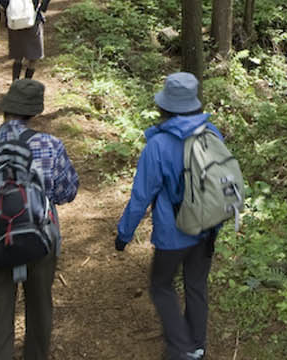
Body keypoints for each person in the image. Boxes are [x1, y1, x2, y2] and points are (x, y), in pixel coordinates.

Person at [0, 79, 79, 360]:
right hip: (40, 241)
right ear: (34, 113)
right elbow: (68, 192)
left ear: (5, 110)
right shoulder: (51, 146)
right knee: (40, 308)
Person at [114, 72, 223, 360]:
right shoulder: (212, 134)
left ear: (165, 107)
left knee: (161, 286)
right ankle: (197, 346)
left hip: (173, 233)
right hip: (207, 228)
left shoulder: (158, 145)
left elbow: (141, 196)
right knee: (196, 285)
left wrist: (124, 235)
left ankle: (181, 349)